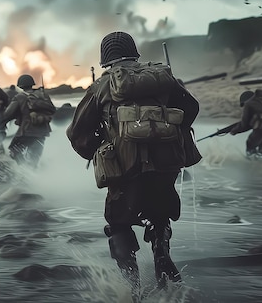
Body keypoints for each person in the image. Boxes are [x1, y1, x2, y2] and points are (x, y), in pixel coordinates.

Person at [66, 31, 201, 297]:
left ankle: (132, 288)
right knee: (159, 212)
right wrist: (166, 130)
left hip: (126, 169)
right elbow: (191, 109)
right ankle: (161, 255)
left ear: (106, 60)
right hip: (167, 164)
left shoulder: (101, 87)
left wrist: (99, 150)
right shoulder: (162, 78)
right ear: (135, 53)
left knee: (117, 222)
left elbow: (76, 133)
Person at [2, 74, 56, 168]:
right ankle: (33, 173)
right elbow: (53, 110)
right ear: (32, 84)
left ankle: (24, 170)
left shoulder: (19, 97)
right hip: (43, 131)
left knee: (14, 151)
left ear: (20, 85)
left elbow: (7, 114)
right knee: (34, 157)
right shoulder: (43, 95)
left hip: (26, 131)